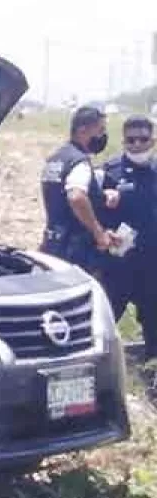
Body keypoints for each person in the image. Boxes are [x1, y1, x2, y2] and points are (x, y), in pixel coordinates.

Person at [39, 106, 121, 276]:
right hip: (75, 249)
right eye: (100, 130)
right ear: (83, 130)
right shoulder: (79, 162)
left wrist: (102, 196)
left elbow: (61, 197)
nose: (102, 136)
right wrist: (99, 233)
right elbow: (76, 197)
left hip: (53, 242)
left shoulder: (56, 159)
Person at [101, 114, 157, 356]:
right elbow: (94, 212)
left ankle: (152, 374)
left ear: (152, 141)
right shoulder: (110, 171)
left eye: (142, 139)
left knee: (154, 321)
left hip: (152, 264)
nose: (136, 145)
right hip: (119, 263)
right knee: (105, 319)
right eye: (130, 140)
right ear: (123, 141)